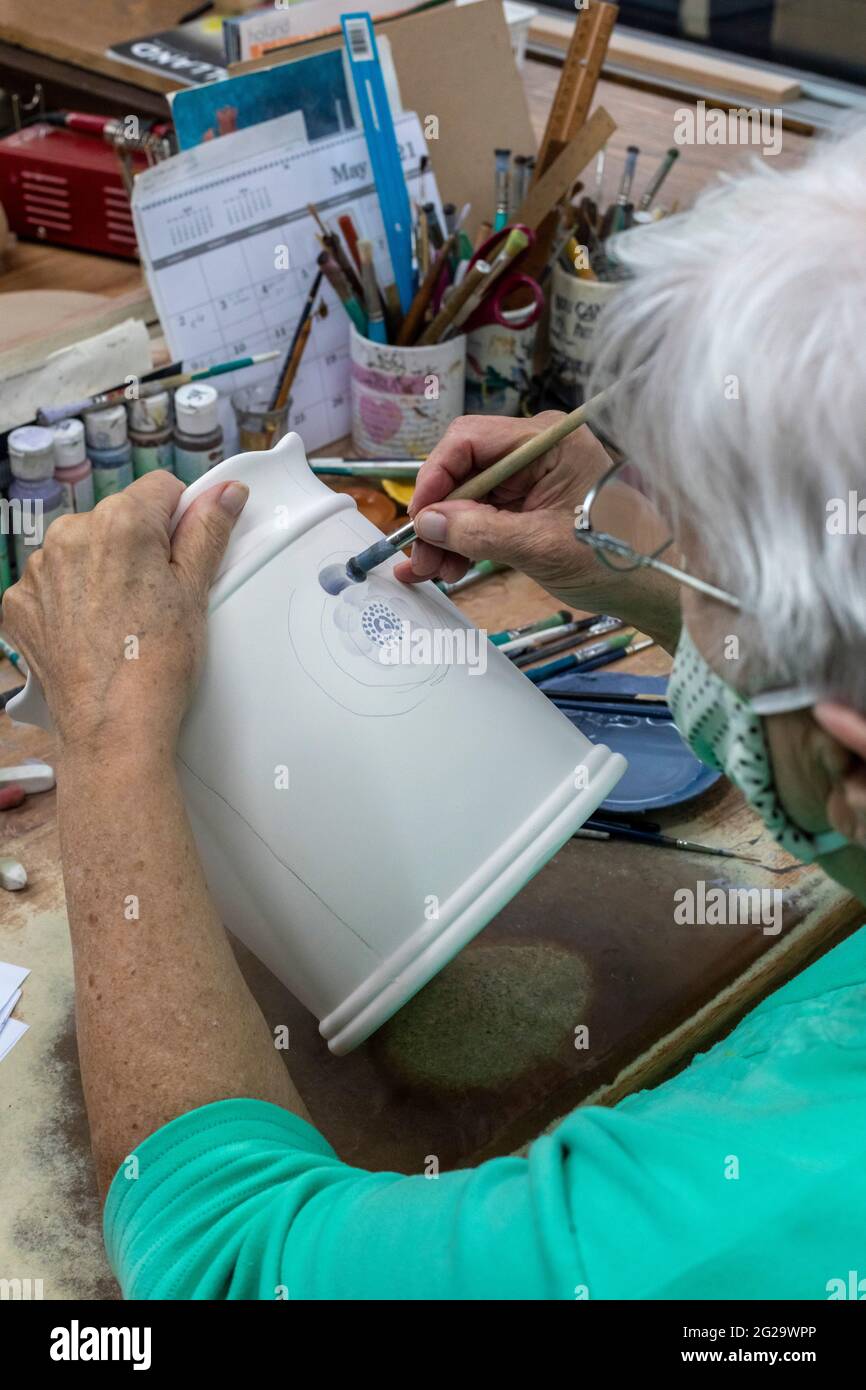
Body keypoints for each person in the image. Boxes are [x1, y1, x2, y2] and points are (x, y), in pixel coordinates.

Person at [4, 126, 866, 1301]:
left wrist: (108, 737)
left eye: (704, 585)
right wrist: (630, 569)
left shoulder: (733, 1226)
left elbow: (235, 1265)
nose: (676, 589)